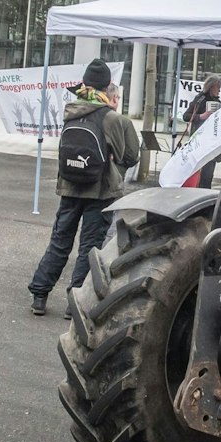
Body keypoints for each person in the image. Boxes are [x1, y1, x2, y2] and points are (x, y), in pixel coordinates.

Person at [28, 60, 140, 316]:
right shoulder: (114, 118)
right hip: (100, 191)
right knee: (89, 247)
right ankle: (75, 302)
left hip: (69, 186)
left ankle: (39, 294)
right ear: (108, 87)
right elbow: (131, 155)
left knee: (59, 240)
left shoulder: (71, 110)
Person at [183, 76, 221, 189]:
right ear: (211, 88)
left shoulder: (218, 102)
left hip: (211, 143)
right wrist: (202, 116)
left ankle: (205, 193)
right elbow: (186, 116)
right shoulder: (200, 99)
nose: (219, 91)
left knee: (208, 175)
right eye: (218, 88)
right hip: (199, 142)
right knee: (196, 173)